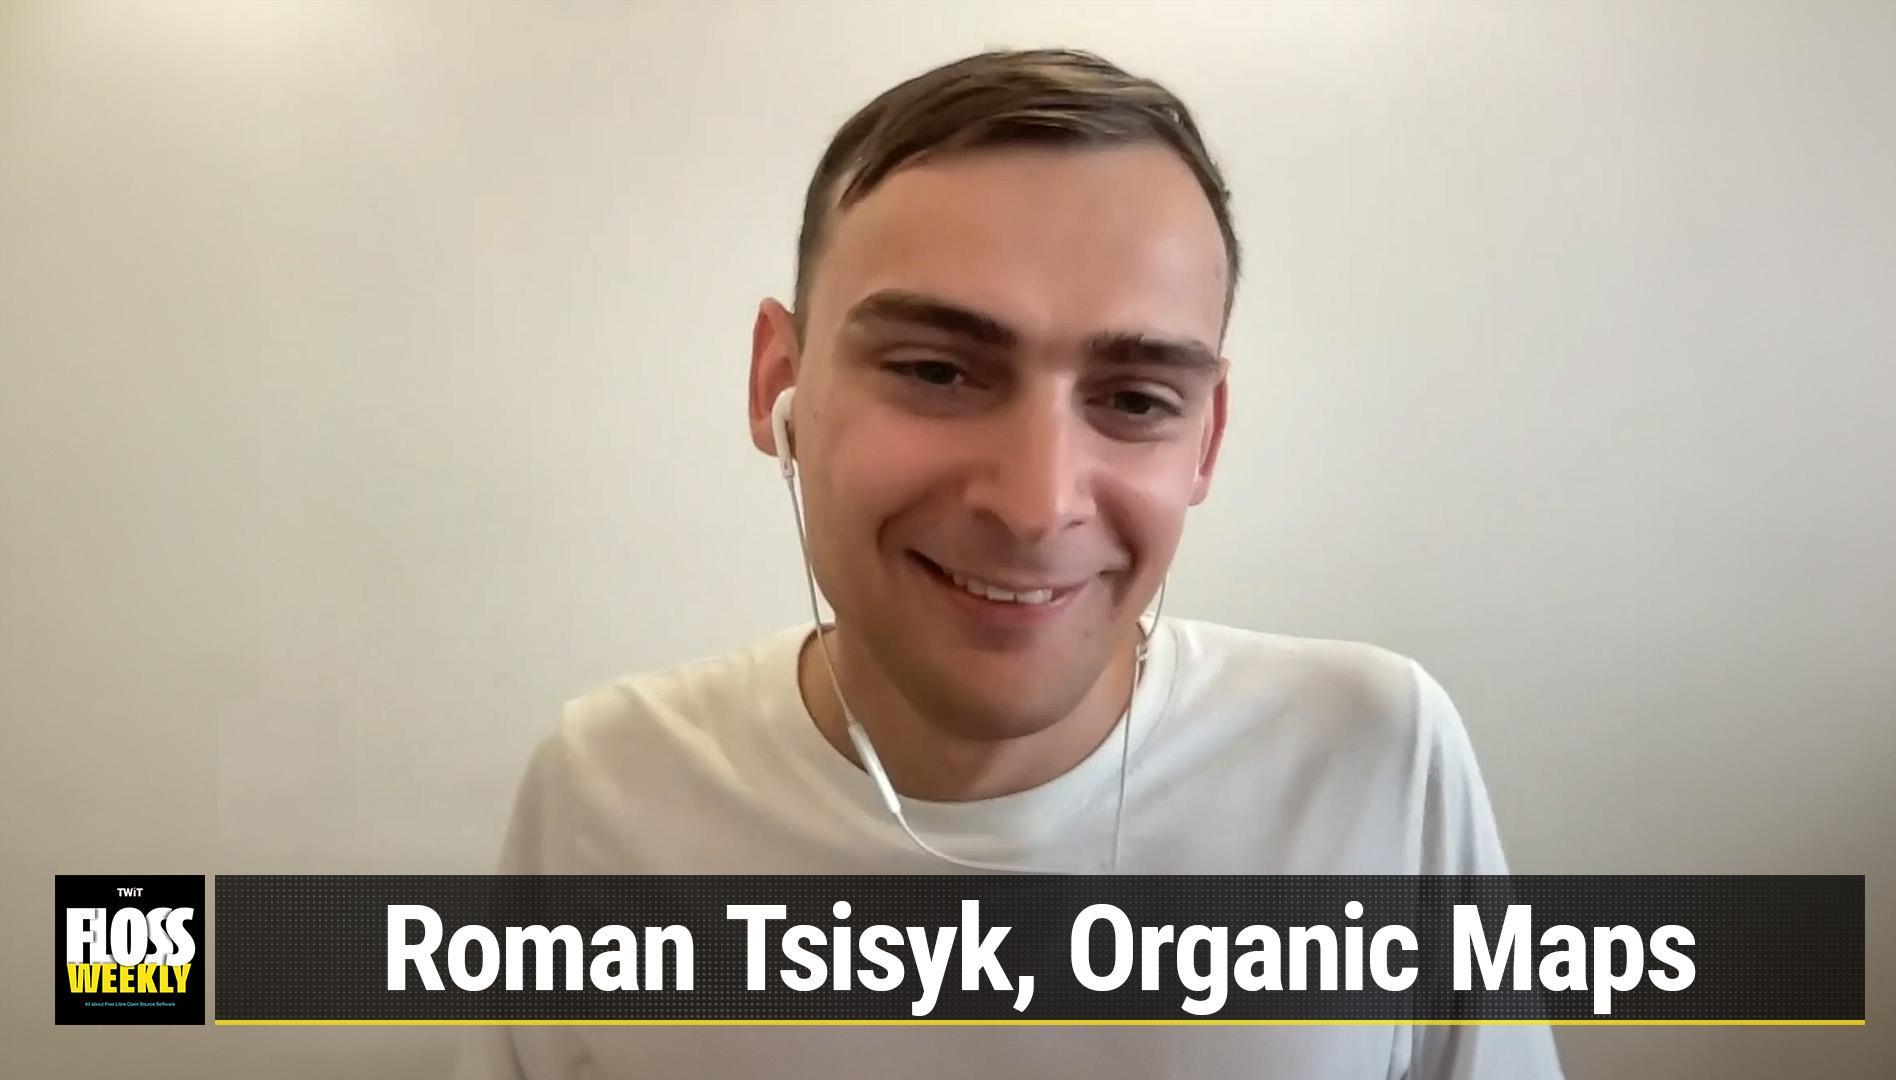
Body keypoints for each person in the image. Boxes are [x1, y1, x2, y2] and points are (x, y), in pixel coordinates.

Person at [458, 48, 1562, 1079]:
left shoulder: (1369, 760)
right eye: (937, 372)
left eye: (1136, 399)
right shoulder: (610, 790)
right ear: (776, 383)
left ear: (1206, 442)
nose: (1037, 508)